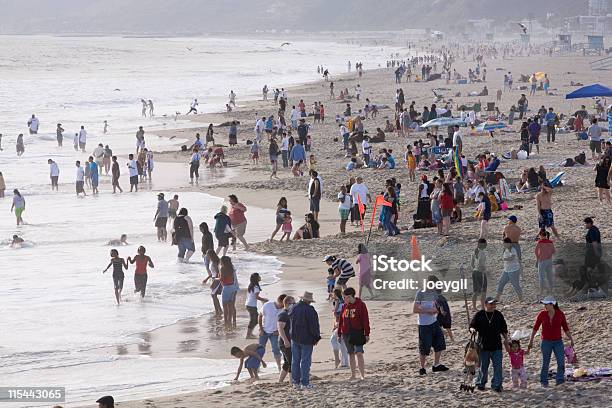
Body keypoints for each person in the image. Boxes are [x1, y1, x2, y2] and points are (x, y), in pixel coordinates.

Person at [527, 297, 575, 387]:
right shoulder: (542, 314)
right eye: (544, 304)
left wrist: (571, 339)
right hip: (545, 342)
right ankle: (543, 382)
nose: (544, 306)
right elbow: (535, 328)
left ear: (552, 304)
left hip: (558, 342)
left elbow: (565, 328)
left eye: (546, 304)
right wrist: (531, 340)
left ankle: (560, 381)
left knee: (561, 362)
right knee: (545, 362)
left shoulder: (560, 314)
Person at [470, 297, 508, 392]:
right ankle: (481, 383)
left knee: (498, 367)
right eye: (491, 304)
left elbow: (504, 329)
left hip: (496, 346)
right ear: (485, 304)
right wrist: (472, 330)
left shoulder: (498, 315)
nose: (493, 306)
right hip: (483, 346)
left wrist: (506, 340)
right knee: (483, 367)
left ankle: (497, 385)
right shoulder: (480, 314)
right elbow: (471, 326)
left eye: (494, 304)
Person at [413, 275, 448, 375]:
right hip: (424, 324)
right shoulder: (420, 293)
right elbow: (415, 309)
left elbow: (436, 306)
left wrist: (438, 310)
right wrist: (428, 311)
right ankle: (422, 368)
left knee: (439, 343)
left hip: (434, 322)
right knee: (424, 347)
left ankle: (436, 365)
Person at [290, 291, 321, 389]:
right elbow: (314, 326)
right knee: (305, 361)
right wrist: (316, 337)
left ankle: (295, 382)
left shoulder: (293, 308)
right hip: (306, 339)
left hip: (294, 337)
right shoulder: (310, 310)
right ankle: (304, 383)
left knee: (295, 360)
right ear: (309, 301)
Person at [259, 294, 286, 372]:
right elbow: (260, 316)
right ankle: (257, 367)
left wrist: (278, 331)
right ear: (279, 301)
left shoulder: (284, 309)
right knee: (260, 350)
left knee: (276, 350)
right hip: (264, 331)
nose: (283, 306)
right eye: (283, 304)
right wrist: (261, 329)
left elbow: (286, 322)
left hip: (275, 333)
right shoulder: (267, 305)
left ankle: (279, 367)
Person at [495, 238, 523, 302]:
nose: (504, 245)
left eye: (505, 243)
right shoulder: (506, 249)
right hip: (506, 270)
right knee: (501, 283)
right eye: (504, 243)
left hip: (514, 270)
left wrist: (504, 259)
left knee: (515, 285)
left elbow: (511, 258)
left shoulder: (513, 249)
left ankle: (521, 298)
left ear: (509, 243)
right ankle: (497, 297)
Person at [277, 295, 295, 383]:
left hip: (289, 341)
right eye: (293, 303)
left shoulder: (289, 313)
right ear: (287, 304)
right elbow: (280, 328)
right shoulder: (283, 314)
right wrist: (285, 341)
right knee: (292, 361)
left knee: (287, 362)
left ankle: (280, 381)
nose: (294, 305)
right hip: (284, 342)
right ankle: (292, 381)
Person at [245, 273, 268, 339]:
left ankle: (250, 333)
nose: (260, 277)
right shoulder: (256, 287)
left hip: (248, 304)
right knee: (254, 320)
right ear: (256, 279)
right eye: (259, 276)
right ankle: (248, 335)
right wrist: (264, 300)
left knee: (256, 320)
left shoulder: (251, 285)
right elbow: (256, 297)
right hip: (251, 305)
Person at [220, 255, 239, 331]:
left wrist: (216, 279)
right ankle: (230, 320)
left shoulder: (223, 268)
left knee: (225, 307)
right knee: (231, 305)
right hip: (233, 287)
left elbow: (222, 278)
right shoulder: (231, 268)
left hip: (226, 288)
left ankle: (226, 322)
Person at [535, 229, 556, 296]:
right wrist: (548, 255)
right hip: (549, 260)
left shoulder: (540, 242)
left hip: (542, 261)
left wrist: (538, 258)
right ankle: (551, 290)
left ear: (541, 235)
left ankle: (541, 291)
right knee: (549, 276)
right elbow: (553, 251)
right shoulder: (550, 242)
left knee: (541, 277)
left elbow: (536, 251)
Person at [202, 249, 223, 316]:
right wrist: (207, 278)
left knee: (213, 295)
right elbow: (212, 273)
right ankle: (218, 310)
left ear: (211, 255)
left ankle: (218, 310)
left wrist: (216, 281)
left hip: (217, 280)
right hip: (214, 279)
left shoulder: (216, 262)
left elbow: (218, 272)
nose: (207, 256)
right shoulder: (212, 261)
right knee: (214, 295)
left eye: (207, 255)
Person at [470, 239, 488, 310]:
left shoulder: (474, 252)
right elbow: (480, 262)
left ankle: (474, 307)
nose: (486, 245)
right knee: (483, 290)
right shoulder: (482, 252)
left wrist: (475, 268)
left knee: (475, 290)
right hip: (481, 273)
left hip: (474, 272)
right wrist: (483, 270)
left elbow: (471, 264)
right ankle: (483, 307)